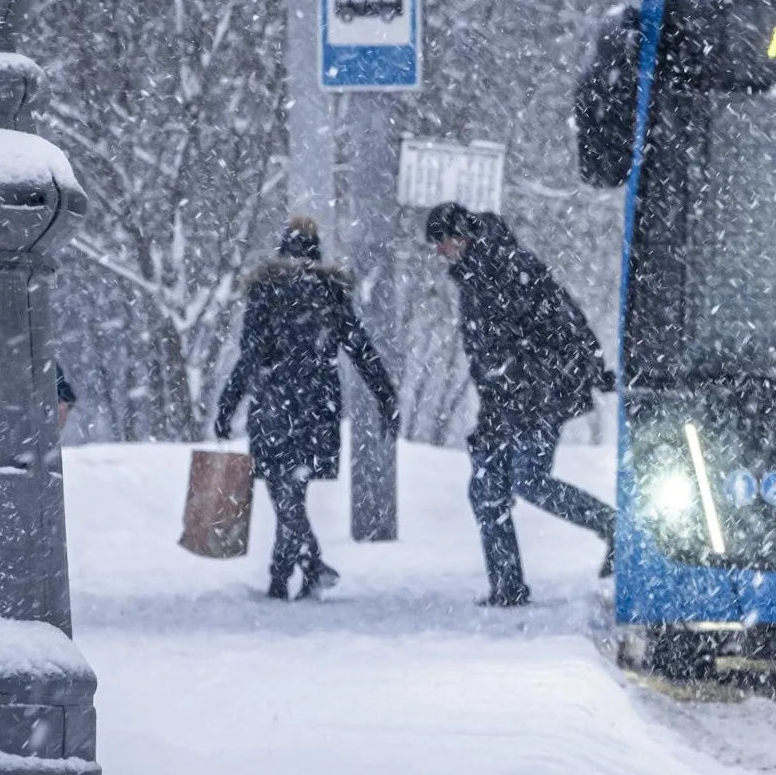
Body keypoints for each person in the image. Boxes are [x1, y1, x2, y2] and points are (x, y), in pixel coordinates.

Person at [426, 202, 616, 607]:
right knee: (488, 489)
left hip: (535, 395)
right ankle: (508, 585)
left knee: (524, 479)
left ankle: (614, 526)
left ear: (460, 236)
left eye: (441, 242)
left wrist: (590, 368)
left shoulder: (506, 267)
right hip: (508, 397)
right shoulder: (479, 272)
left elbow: (562, 317)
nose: (440, 252)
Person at [214, 217, 399, 601]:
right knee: (292, 492)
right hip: (317, 406)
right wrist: (385, 395)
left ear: (283, 250)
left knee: (285, 494)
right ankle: (301, 569)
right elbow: (359, 348)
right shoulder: (330, 292)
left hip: (275, 405)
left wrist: (227, 405)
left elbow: (250, 357)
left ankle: (285, 577)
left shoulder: (266, 290)